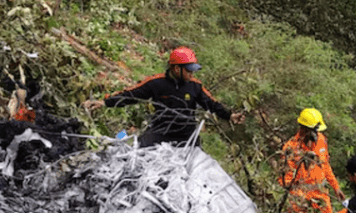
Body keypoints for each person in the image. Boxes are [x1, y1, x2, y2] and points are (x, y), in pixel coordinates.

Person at [83, 47, 243, 147]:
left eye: (193, 69)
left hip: (186, 135)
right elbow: (131, 94)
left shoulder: (196, 86)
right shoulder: (156, 83)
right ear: (175, 68)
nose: (191, 73)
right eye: (188, 69)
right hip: (160, 130)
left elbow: (212, 104)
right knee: (138, 154)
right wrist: (104, 102)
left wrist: (230, 115)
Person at [279, 108, 345, 213]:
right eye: (314, 130)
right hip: (299, 196)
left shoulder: (321, 140)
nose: (316, 133)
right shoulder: (291, 148)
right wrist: (298, 196)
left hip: (320, 193)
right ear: (304, 129)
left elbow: (325, 165)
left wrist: (336, 187)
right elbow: (286, 180)